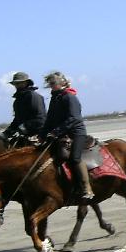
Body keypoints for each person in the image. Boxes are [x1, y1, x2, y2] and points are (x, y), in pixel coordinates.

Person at [40, 71, 94, 201]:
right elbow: (49, 120)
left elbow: (74, 118)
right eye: (50, 84)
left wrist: (55, 132)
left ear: (62, 83)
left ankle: (87, 188)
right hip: (62, 133)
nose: (51, 86)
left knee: (75, 158)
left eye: (53, 83)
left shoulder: (69, 97)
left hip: (77, 133)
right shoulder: (55, 98)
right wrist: (42, 134)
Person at [3, 71, 45, 145]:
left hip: (37, 134)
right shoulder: (18, 100)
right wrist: (8, 131)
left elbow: (40, 119)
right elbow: (17, 119)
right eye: (15, 83)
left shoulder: (33, 96)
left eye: (19, 83)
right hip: (24, 134)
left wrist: (24, 127)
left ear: (26, 83)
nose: (16, 85)